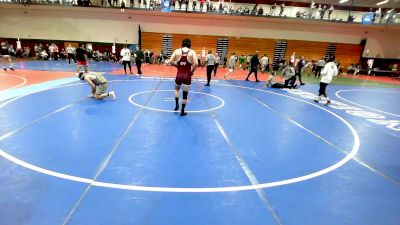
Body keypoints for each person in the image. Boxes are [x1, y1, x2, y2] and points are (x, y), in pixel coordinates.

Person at [168, 38, 198, 116]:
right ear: (189, 44)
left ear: (182, 43)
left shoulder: (177, 51)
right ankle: (182, 111)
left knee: (176, 90)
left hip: (179, 75)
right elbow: (196, 63)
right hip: (187, 76)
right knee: (185, 94)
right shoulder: (192, 52)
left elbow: (170, 61)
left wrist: (177, 65)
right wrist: (192, 72)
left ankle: (176, 105)